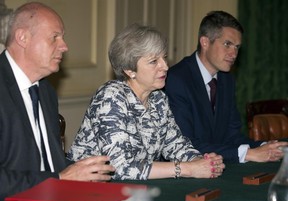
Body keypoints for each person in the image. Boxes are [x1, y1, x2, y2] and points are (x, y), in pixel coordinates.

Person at [67, 23, 225, 180]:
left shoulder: (158, 98)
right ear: (129, 70)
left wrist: (201, 162)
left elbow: (176, 145)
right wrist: (187, 169)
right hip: (89, 189)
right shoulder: (110, 97)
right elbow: (121, 168)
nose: (165, 66)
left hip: (134, 189)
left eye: (163, 57)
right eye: (153, 61)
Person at [0, 2, 115, 200]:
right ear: (22, 38)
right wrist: (61, 178)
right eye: (55, 37)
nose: (64, 46)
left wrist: (83, 172)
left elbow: (49, 164)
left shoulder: (45, 91)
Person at [165, 11, 288, 163]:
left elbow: (232, 136)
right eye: (227, 44)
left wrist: (264, 146)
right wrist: (248, 154)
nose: (234, 53)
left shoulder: (226, 79)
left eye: (237, 47)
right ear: (205, 42)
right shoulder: (177, 79)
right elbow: (186, 144)